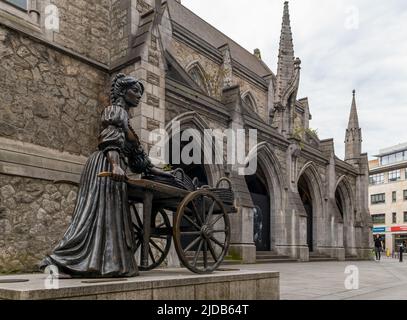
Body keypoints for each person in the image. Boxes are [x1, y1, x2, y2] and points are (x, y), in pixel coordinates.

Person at [40, 74, 173, 278]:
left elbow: (141, 162)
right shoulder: (115, 111)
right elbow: (110, 140)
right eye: (135, 91)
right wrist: (114, 165)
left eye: (140, 92)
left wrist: (166, 174)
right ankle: (59, 261)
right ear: (122, 91)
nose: (139, 96)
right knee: (92, 216)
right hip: (105, 166)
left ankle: (104, 264)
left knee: (108, 218)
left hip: (113, 167)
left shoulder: (127, 122)